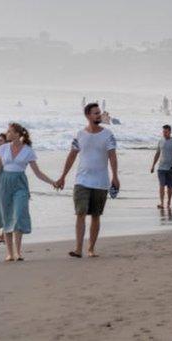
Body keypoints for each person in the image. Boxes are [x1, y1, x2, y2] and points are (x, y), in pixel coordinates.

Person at [0, 123, 57, 262]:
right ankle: (10, 253)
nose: (7, 133)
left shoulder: (28, 151)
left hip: (20, 184)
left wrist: (52, 182)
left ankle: (18, 252)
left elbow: (38, 173)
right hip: (3, 185)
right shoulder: (3, 148)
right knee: (7, 217)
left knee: (19, 214)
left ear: (17, 134)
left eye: (9, 131)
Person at [54, 103, 119, 258]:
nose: (98, 115)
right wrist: (63, 176)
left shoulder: (108, 134)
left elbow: (112, 156)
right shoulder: (80, 134)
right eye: (95, 113)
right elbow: (72, 155)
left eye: (99, 113)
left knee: (96, 215)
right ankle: (78, 249)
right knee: (80, 213)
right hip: (81, 180)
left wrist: (115, 176)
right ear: (88, 115)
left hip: (101, 181)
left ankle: (91, 248)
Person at [150, 124, 172, 210]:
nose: (164, 133)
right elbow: (157, 154)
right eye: (163, 132)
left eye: (166, 132)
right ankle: (162, 203)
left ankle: (169, 202)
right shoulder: (160, 141)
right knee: (161, 185)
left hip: (171, 167)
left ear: (170, 132)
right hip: (161, 168)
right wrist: (153, 165)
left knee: (170, 187)